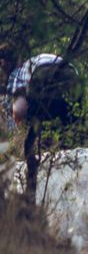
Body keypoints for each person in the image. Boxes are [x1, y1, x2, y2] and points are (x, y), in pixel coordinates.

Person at [3, 47, 82, 196]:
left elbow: (18, 111)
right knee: (70, 129)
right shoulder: (31, 62)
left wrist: (15, 137)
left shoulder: (17, 73)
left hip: (42, 73)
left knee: (34, 129)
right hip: (71, 72)